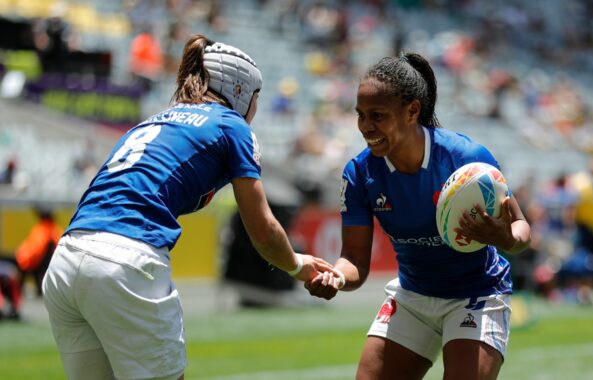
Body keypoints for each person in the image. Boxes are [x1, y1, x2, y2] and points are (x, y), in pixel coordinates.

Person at [42, 34, 334, 380]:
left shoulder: (154, 121)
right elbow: (263, 230)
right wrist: (297, 265)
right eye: (257, 97)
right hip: (127, 259)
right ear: (241, 91)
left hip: (66, 259)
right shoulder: (231, 125)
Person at [305, 53, 531, 380]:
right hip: (412, 297)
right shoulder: (359, 174)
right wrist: (336, 276)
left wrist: (507, 238)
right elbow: (354, 258)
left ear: (412, 111)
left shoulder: (466, 159)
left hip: (477, 295)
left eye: (377, 115)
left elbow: (521, 228)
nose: (366, 127)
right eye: (361, 115)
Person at [15, 206, 63, 296]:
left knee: (33, 272)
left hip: (31, 259)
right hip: (34, 259)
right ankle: (37, 289)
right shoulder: (49, 228)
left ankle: (30, 289)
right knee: (37, 272)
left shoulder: (42, 228)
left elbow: (34, 247)